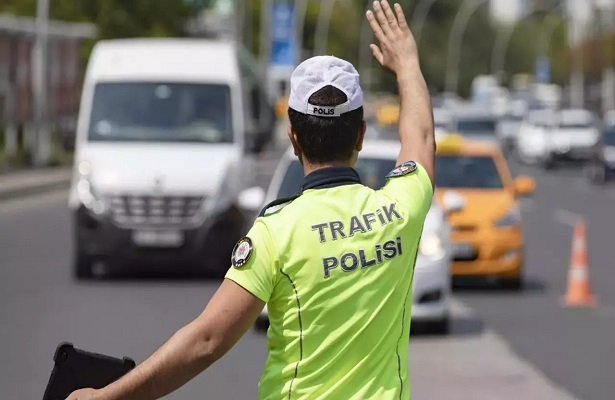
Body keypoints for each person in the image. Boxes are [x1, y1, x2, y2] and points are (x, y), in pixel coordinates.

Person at [66, 1, 434, 398]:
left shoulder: (276, 233)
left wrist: (107, 396)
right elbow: (421, 136)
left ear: (293, 138)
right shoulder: (400, 209)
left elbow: (206, 340)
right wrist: (407, 64)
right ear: (360, 134)